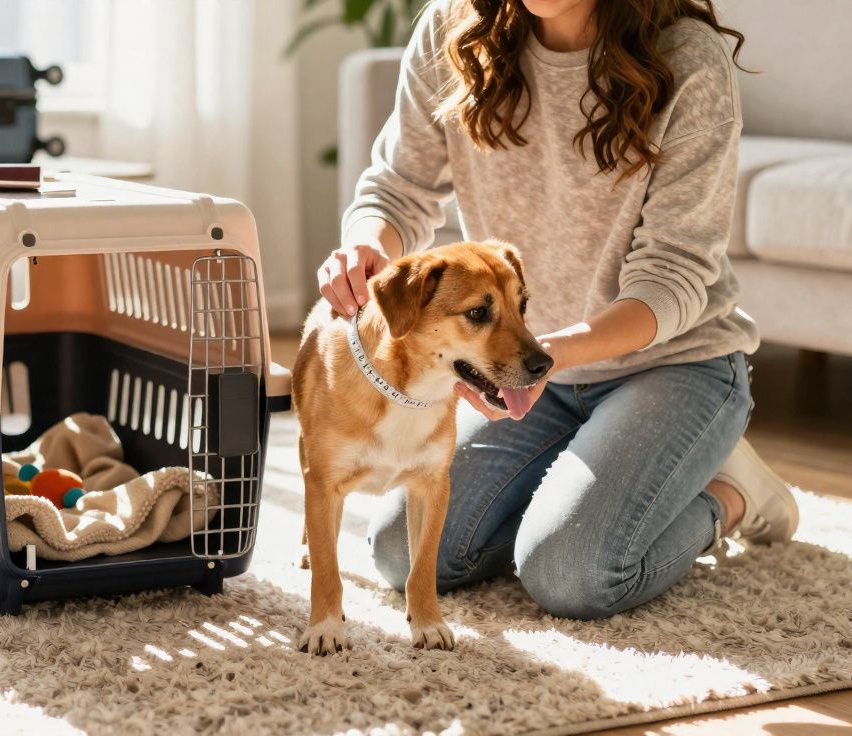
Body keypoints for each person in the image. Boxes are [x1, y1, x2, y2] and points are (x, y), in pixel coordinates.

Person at [316, 0, 798, 620]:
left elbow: (671, 279)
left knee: (572, 572)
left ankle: (731, 493)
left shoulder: (688, 59)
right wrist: (365, 245)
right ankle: (593, 464)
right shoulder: (452, 29)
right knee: (399, 552)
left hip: (673, 365)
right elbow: (398, 187)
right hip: (523, 368)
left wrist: (545, 357)